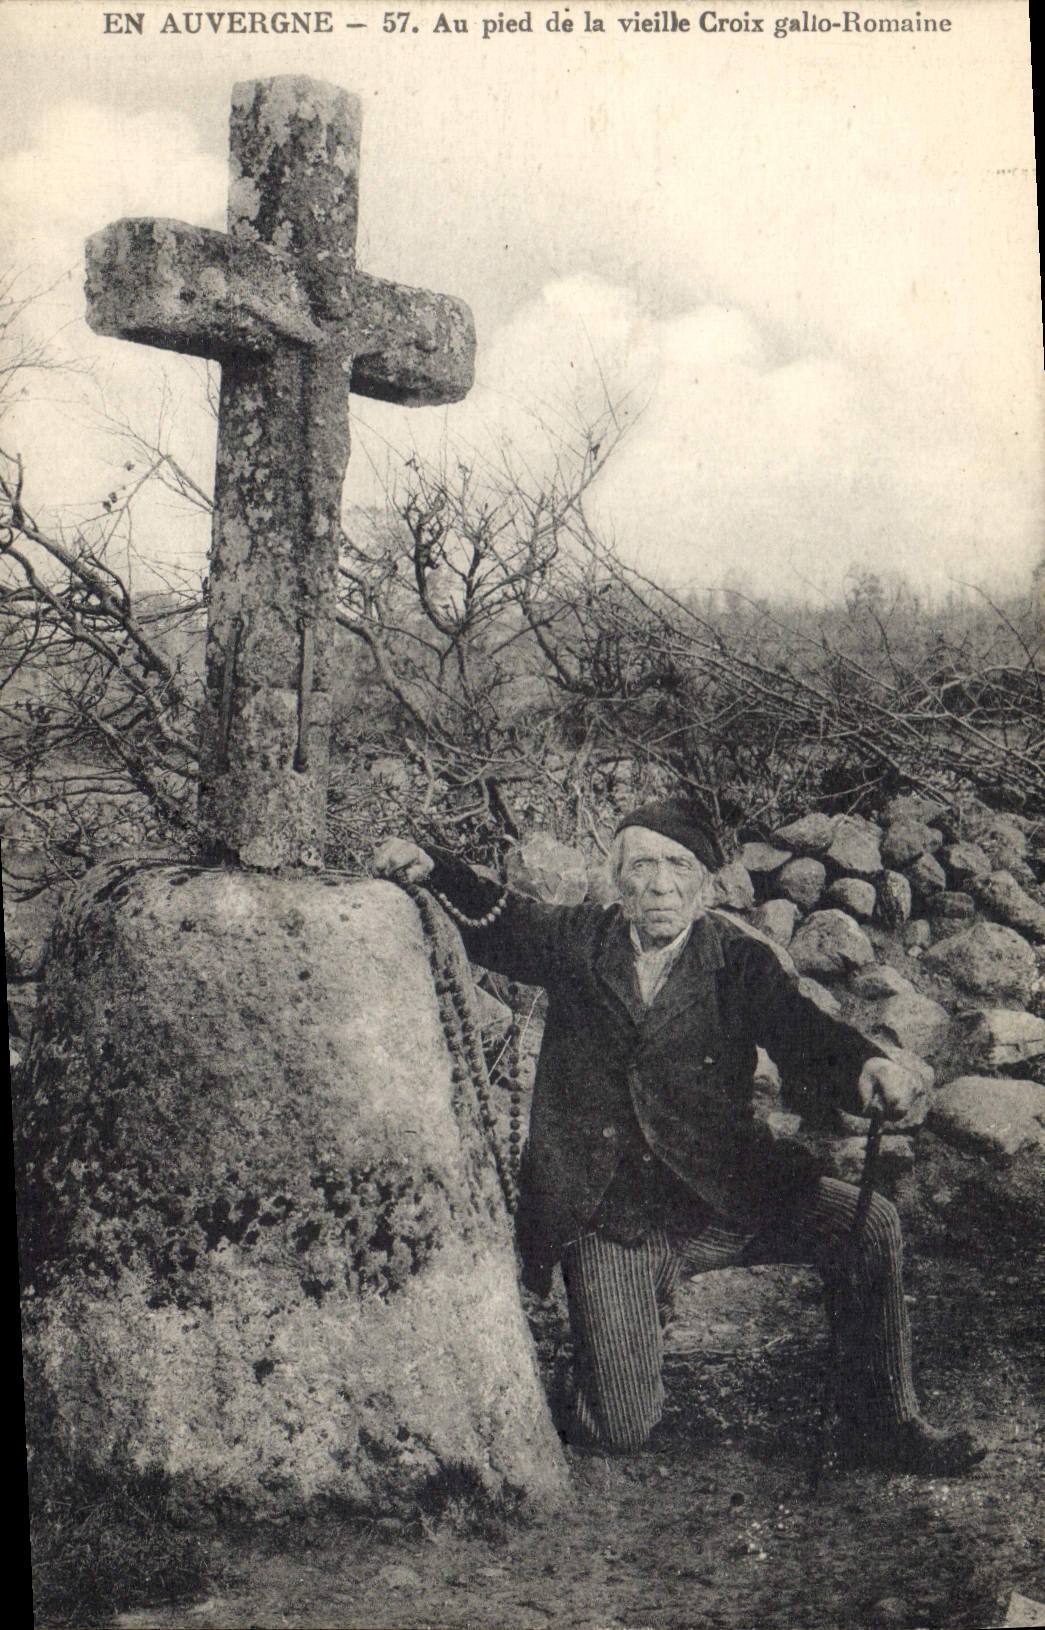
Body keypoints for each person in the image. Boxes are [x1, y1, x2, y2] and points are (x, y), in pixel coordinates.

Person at [374, 799, 984, 1475]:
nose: (660, 884)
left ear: (703, 885)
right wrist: (435, 867)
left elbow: (799, 1029)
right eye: (641, 866)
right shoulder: (576, 940)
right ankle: (605, 1341)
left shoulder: (737, 963)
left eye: (677, 866)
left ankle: (882, 1420)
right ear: (616, 879)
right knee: (620, 1429)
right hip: (613, 1217)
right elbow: (500, 918)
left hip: (724, 1199)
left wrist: (867, 1065)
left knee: (868, 1223)